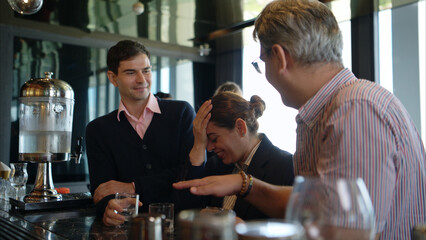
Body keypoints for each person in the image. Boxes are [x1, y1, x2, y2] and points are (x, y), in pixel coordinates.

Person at [173, 0, 426, 239]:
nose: (265, 74)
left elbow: (343, 231)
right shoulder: (327, 111)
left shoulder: (354, 108)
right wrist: (245, 184)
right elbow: (320, 206)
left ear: (281, 57)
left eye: (262, 62)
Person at [86, 40, 195, 226]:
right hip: (128, 230)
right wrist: (108, 208)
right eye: (130, 72)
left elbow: (190, 176)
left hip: (182, 228)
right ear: (113, 78)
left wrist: (133, 187)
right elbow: (102, 192)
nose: (142, 80)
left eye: (146, 70)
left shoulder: (181, 113)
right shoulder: (98, 129)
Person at [176, 92, 294, 220]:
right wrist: (198, 145)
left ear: (240, 127)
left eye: (214, 139)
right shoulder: (215, 165)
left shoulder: (285, 166)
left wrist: (242, 229)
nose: (209, 148)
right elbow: (184, 213)